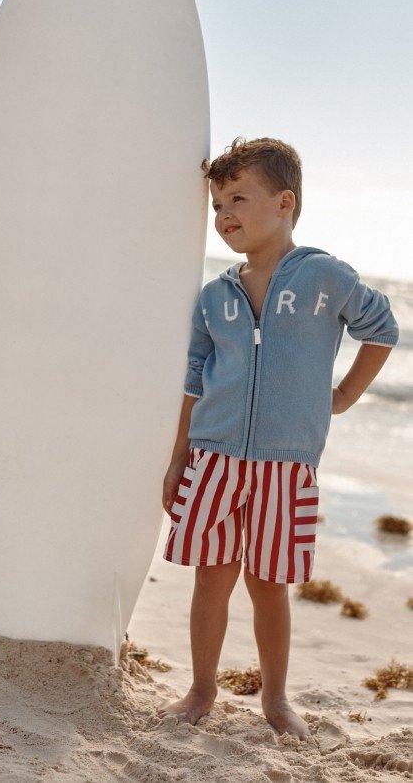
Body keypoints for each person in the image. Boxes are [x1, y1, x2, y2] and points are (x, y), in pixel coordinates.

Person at [158, 136, 399, 738]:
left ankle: (275, 700)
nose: (224, 215)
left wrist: (343, 396)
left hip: (287, 465)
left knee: (269, 585)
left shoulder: (323, 275)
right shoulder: (216, 297)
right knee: (211, 577)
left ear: (284, 202)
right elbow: (195, 375)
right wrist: (178, 458)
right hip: (213, 459)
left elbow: (383, 328)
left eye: (238, 198)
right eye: (217, 204)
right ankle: (201, 690)